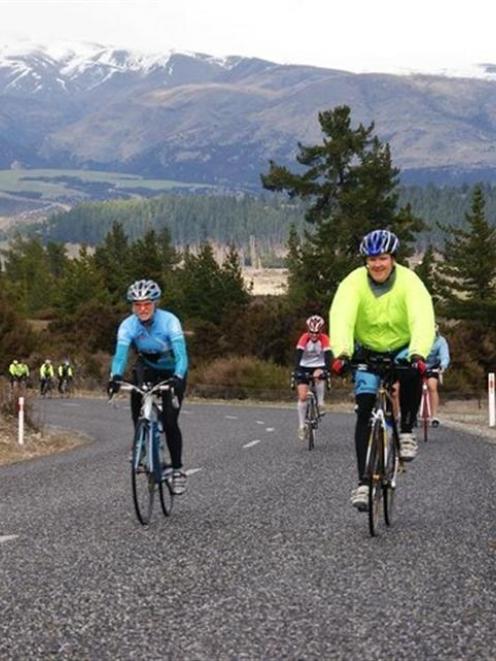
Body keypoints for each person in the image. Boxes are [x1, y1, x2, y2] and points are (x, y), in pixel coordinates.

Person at [330, 229, 435, 511]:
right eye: (372, 259)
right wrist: (341, 352)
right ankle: (364, 483)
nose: (377, 264)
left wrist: (418, 352)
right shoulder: (353, 283)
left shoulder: (410, 283)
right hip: (367, 349)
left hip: (402, 346)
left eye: (383, 258)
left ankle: (407, 429)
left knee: (412, 372)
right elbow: (342, 316)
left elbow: (422, 317)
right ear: (365, 260)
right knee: (365, 409)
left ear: (393, 259)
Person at [107, 279, 189, 495]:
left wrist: (178, 377)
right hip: (147, 366)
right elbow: (121, 355)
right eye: (137, 305)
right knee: (136, 396)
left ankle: (178, 469)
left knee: (171, 421)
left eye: (147, 304)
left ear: (155, 304)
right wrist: (114, 377)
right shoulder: (128, 325)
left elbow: (181, 355)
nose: (142, 309)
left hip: (172, 367)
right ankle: (141, 442)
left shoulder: (170, 321)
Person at [293, 315, 332, 440]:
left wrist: (325, 370)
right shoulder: (304, 338)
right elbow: (297, 356)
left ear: (321, 331)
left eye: (317, 332)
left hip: (319, 365)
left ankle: (320, 402)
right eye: (311, 332)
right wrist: (297, 371)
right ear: (307, 330)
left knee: (318, 376)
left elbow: (328, 357)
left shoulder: (325, 339)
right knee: (303, 396)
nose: (314, 335)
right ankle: (301, 426)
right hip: (304, 366)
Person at [425, 323, 450, 427]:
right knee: (413, 387)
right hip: (418, 364)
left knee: (432, 386)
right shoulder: (420, 338)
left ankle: (434, 416)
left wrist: (443, 366)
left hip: (432, 367)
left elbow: (445, 355)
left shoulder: (441, 341)